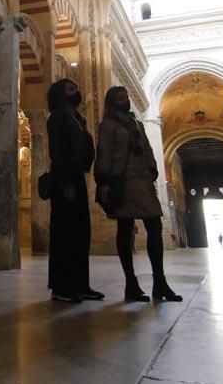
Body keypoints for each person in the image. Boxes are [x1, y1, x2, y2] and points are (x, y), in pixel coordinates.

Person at [95, 86, 182, 303]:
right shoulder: (108, 125)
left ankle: (159, 282)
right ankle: (130, 283)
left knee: (154, 226)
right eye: (120, 98)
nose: (125, 100)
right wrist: (103, 180)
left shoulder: (136, 124)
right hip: (122, 181)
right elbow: (104, 151)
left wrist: (152, 169)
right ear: (112, 102)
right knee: (125, 229)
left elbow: (147, 148)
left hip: (142, 180)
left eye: (126, 97)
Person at [45, 78, 103, 303]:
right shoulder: (58, 117)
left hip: (77, 178)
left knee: (81, 233)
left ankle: (81, 284)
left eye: (76, 88)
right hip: (64, 180)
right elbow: (57, 152)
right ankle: (61, 287)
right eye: (71, 89)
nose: (76, 92)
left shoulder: (79, 118)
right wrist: (67, 182)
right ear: (60, 94)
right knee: (64, 234)